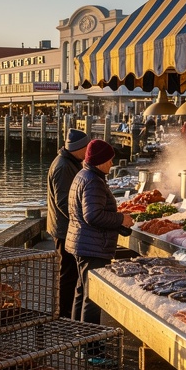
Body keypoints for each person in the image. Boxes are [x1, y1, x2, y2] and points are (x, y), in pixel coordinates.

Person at [66, 139, 135, 337]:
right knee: (93, 298)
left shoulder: (84, 174)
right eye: (110, 160)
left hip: (83, 243)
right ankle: (91, 349)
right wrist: (121, 218)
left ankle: (78, 338)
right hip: (92, 246)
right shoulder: (93, 181)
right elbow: (93, 215)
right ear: (100, 161)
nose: (112, 164)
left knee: (82, 292)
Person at [46, 128, 91, 319]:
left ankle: (64, 313)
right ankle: (63, 315)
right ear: (77, 149)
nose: (88, 150)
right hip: (64, 229)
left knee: (70, 273)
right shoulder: (64, 167)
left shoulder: (70, 162)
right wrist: (82, 219)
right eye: (86, 147)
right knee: (68, 274)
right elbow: (64, 202)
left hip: (65, 227)